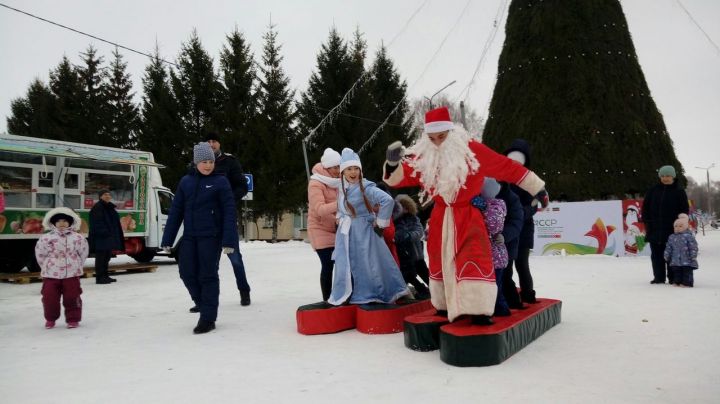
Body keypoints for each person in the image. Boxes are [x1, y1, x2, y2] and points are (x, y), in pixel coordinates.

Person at [383, 106, 546, 324]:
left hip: (469, 216)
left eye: (441, 136)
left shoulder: (472, 151)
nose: (438, 142)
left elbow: (506, 166)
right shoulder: (425, 158)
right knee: (440, 259)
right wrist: (393, 164)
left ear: (451, 133)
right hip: (441, 217)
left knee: (474, 256)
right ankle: (444, 304)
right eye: (432, 138)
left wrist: (537, 188)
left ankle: (478, 309)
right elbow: (399, 179)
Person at [161, 143, 238, 334]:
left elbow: (230, 212)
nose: (208, 165)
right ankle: (203, 305)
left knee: (207, 275)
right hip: (189, 237)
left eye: (211, 161)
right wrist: (167, 239)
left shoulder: (221, 182)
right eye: (204, 161)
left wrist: (229, 241)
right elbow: (176, 211)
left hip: (211, 237)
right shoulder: (186, 182)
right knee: (186, 273)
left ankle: (207, 318)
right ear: (196, 162)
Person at [327, 148, 409, 305]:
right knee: (348, 263)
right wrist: (339, 217)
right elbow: (341, 207)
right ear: (343, 171)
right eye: (349, 168)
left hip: (364, 232)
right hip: (347, 233)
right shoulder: (342, 187)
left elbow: (388, 201)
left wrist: (381, 222)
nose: (353, 172)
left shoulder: (366, 187)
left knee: (368, 263)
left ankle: (373, 294)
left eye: (356, 168)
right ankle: (350, 293)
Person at [204, 132, 252, 306]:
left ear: (219, 143)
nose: (211, 144)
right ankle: (207, 298)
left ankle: (244, 291)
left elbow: (242, 186)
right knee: (209, 262)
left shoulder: (229, 161)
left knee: (235, 258)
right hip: (207, 219)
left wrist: (228, 199)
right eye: (208, 141)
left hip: (226, 218)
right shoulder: (198, 164)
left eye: (214, 141)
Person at [501, 139, 548, 306]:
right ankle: (510, 295)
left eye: (519, 159)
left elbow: (534, 205)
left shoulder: (529, 179)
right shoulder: (502, 176)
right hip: (507, 228)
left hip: (523, 228)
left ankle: (527, 294)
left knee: (521, 263)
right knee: (506, 265)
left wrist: (519, 213)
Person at [35, 207, 89, 329]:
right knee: (49, 298)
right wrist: (47, 266)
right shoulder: (46, 238)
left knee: (72, 297)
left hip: (72, 274)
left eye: (65, 221)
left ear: (70, 222)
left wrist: (76, 264)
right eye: (58, 221)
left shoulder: (78, 238)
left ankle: (73, 319)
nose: (62, 223)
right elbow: (40, 254)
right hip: (51, 274)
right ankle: (50, 319)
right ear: (53, 223)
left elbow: (83, 253)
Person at [470, 178, 511, 317]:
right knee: (488, 287)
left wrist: (484, 208)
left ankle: (502, 310)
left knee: (496, 287)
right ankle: (491, 309)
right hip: (485, 255)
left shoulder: (496, 205)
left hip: (496, 257)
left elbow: (494, 226)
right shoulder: (484, 205)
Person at [642, 165, 689, 284]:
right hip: (655, 229)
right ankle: (658, 278)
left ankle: (673, 277)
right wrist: (647, 221)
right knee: (656, 255)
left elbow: (684, 210)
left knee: (672, 255)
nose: (665, 178)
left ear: (673, 176)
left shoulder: (679, 191)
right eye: (662, 176)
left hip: (672, 230)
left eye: (667, 176)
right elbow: (645, 208)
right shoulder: (653, 190)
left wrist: (681, 225)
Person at [307, 147, 341, 301]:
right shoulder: (315, 183)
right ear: (326, 167)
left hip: (337, 229)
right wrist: (341, 204)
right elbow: (319, 209)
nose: (337, 170)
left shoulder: (339, 182)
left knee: (342, 266)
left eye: (339, 166)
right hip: (319, 229)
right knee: (328, 265)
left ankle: (340, 296)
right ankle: (327, 299)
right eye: (334, 167)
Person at [393, 194, 431, 300]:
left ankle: (434, 290)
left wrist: (408, 236)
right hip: (404, 254)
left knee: (423, 272)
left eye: (405, 207)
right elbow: (395, 234)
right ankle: (422, 290)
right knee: (409, 275)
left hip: (416, 253)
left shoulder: (413, 218)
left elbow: (419, 232)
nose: (403, 209)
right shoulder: (396, 221)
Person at [495, 181, 524, 314]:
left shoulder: (512, 198)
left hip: (507, 244)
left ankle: (513, 303)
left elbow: (517, 222)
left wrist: (504, 236)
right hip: (488, 246)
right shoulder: (484, 195)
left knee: (505, 276)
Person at [88, 189, 125, 284]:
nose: (107, 196)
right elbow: (97, 223)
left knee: (106, 257)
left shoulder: (109, 207)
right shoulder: (98, 207)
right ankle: (100, 277)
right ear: (100, 196)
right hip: (101, 238)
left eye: (109, 194)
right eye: (105, 194)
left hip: (108, 237)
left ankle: (105, 275)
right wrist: (106, 232)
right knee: (101, 258)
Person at [664, 213, 698, 287]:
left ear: (685, 227)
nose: (677, 228)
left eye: (680, 226)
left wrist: (693, 255)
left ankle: (687, 283)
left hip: (687, 259)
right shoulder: (672, 237)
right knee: (677, 271)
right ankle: (677, 282)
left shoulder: (689, 236)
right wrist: (667, 254)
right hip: (675, 259)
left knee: (687, 272)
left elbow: (693, 247)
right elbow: (669, 247)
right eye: (675, 226)